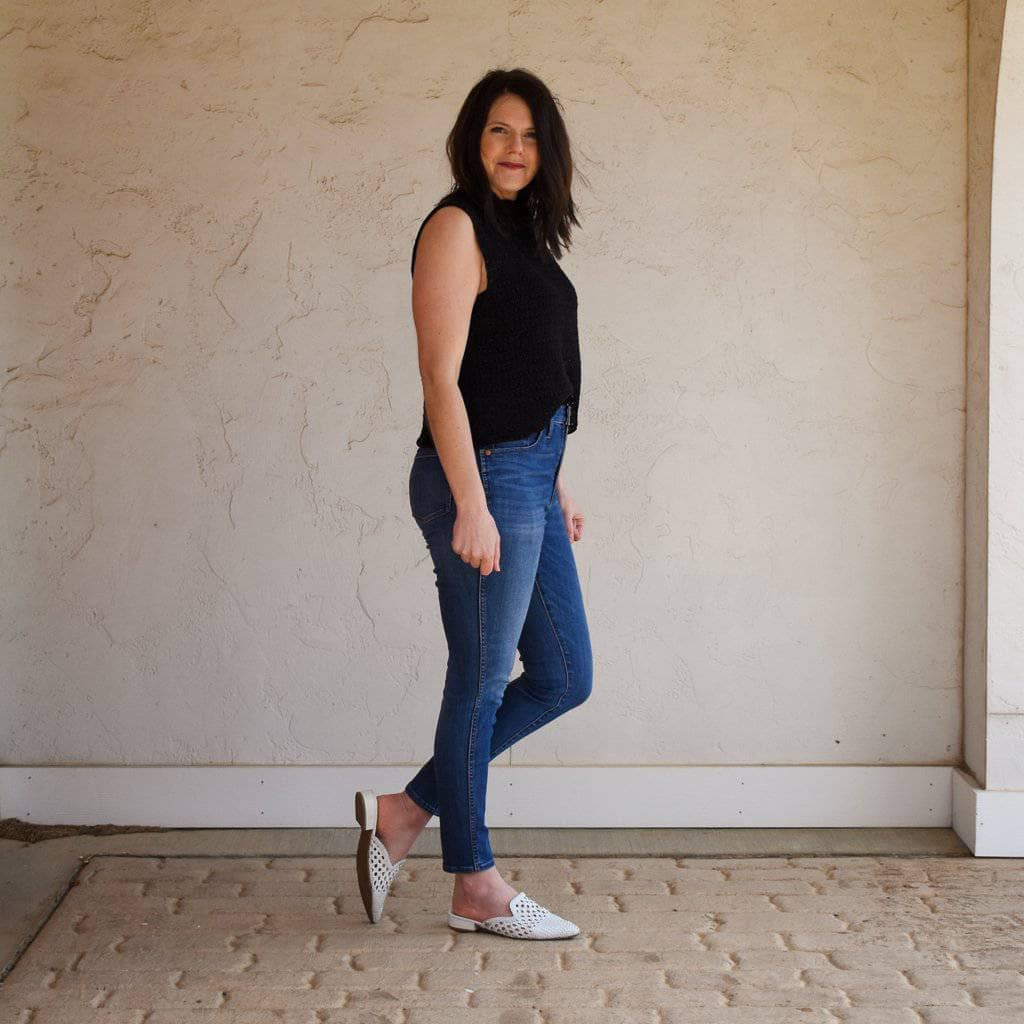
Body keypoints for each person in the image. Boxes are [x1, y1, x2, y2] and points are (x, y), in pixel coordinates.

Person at [356, 68, 593, 941]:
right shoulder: (457, 227)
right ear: (473, 139)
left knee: (565, 676)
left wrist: (555, 478)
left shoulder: (524, 236)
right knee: (484, 680)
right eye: (499, 131)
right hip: (482, 482)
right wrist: (471, 503)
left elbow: (521, 371)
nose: (514, 149)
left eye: (529, 135)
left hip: (528, 477)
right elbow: (440, 377)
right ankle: (474, 883)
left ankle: (407, 810)